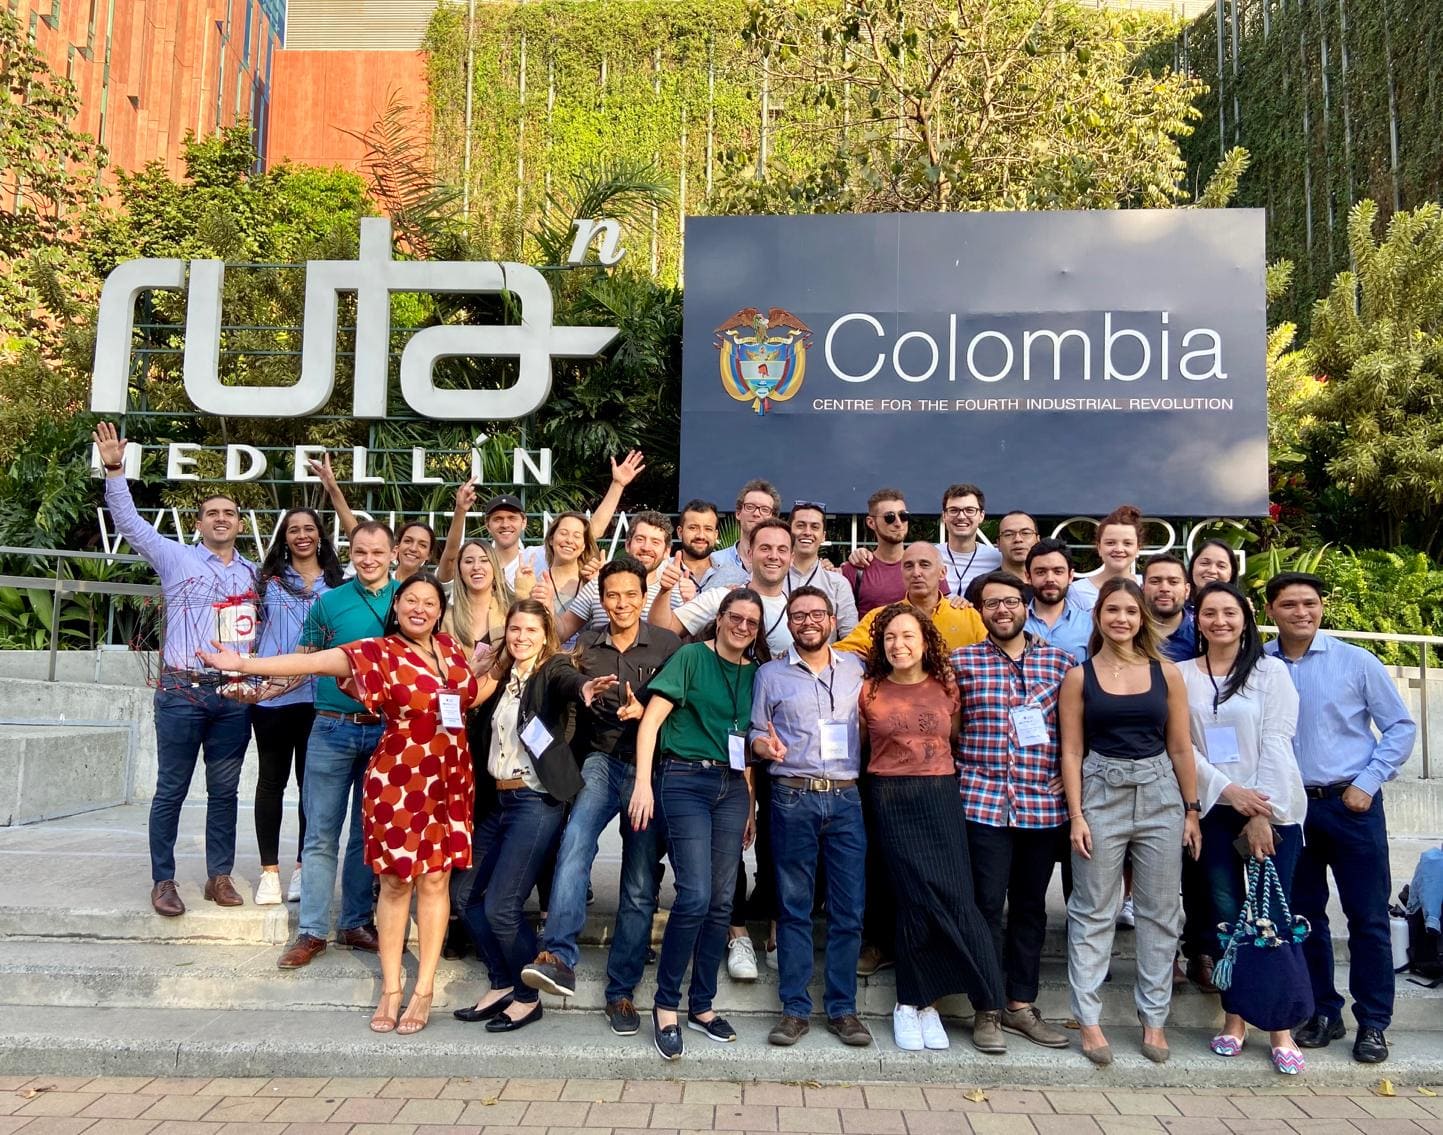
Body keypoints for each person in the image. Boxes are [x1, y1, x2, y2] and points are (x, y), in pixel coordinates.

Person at [199, 572, 480, 1035]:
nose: (420, 608)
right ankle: (392, 989)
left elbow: (469, 695)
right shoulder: (379, 651)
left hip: (450, 779)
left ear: (440, 611)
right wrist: (245, 664)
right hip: (399, 779)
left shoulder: (451, 650)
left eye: (430, 602)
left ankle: (425, 988)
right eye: (411, 600)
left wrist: (500, 662)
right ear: (397, 606)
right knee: (395, 883)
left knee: (435, 880)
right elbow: (314, 661)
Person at [92, 422, 257, 917]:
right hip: (182, 693)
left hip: (233, 696)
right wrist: (115, 470)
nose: (221, 519)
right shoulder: (175, 558)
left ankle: (219, 876)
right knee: (171, 790)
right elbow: (129, 524)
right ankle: (163, 880)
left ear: (240, 524)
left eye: (229, 513)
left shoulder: (253, 573)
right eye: (212, 513)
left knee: (224, 791)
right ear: (199, 523)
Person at [517, 558, 683, 1038]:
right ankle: (558, 956)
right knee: (575, 844)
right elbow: (562, 678)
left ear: (644, 596)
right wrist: (582, 686)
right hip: (600, 762)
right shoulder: (586, 644)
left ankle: (621, 990)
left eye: (631, 594)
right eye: (612, 595)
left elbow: (684, 703)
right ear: (602, 599)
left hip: (649, 769)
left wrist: (648, 710)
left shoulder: (668, 645)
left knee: (639, 879)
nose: (621, 603)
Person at [1265, 572, 1416, 1064]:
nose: (1301, 612)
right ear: (1271, 611)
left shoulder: (1356, 661)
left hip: (1352, 804)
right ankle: (1322, 1012)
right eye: (1290, 604)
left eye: (1310, 603)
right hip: (1291, 809)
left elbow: (1400, 727)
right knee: (1305, 916)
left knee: (1367, 918)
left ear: (1322, 607)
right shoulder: (1260, 664)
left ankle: (1373, 1022)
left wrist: (1367, 783)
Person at [452, 599, 618, 1033]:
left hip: (534, 802)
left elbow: (567, 681)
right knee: (465, 897)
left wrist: (584, 688)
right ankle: (502, 981)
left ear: (546, 636)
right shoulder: (502, 678)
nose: (521, 637)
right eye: (515, 629)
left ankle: (527, 998)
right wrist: (477, 669)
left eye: (530, 630)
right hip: (497, 802)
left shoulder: (551, 671)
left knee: (501, 907)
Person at [1060, 577, 1202, 1066]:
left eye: (1130, 611)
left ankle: (1154, 1020)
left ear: (1142, 618)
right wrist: (1076, 815)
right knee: (1093, 909)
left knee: (1160, 912)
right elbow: (1071, 750)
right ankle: (1089, 1019)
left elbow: (1181, 746)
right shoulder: (1079, 677)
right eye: (1112, 610)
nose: (1121, 619)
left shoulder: (1167, 673)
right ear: (1098, 616)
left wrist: (1191, 810)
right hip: (1101, 792)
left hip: (1161, 794)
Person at [628, 588, 770, 1061]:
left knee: (723, 900)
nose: (742, 627)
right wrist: (643, 784)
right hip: (684, 780)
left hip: (731, 787)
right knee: (695, 895)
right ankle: (666, 1004)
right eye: (736, 617)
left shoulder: (755, 672)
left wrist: (749, 804)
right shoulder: (691, 657)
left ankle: (702, 1006)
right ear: (720, 617)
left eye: (752, 622)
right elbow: (651, 722)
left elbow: (744, 743)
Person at [858, 603, 1006, 1053]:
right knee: (914, 899)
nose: (898, 645)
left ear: (925, 642)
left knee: (957, 898)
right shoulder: (868, 690)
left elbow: (954, 736)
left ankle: (963, 1002)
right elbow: (862, 745)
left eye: (908, 636)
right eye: (889, 637)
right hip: (890, 797)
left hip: (940, 794)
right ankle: (911, 1003)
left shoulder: (946, 685)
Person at [1182, 581, 1306, 1074]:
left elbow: (1277, 740)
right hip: (1215, 809)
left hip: (1272, 811)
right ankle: (1235, 1019)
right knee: (1228, 919)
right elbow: (1184, 747)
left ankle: (1280, 1028)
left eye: (1229, 612)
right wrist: (1228, 792)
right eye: (1209, 613)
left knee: (1272, 919)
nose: (1220, 621)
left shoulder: (1271, 672)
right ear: (1197, 620)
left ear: (1246, 618)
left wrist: (1258, 812)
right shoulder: (1182, 675)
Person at [951, 571, 1074, 1052]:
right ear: (979, 611)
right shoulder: (962, 662)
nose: (1001, 610)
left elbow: (1078, 728)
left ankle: (1020, 1005)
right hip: (982, 803)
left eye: (1010, 602)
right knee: (984, 906)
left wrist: (1072, 771)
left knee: (1029, 908)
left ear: (1026, 606)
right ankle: (986, 1007)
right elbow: (950, 728)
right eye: (991, 603)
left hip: (1041, 806)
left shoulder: (1060, 663)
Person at [272, 522, 398, 969]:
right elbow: (304, 660)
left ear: (393, 554)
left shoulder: (408, 600)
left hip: (385, 730)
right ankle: (311, 931)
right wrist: (265, 688)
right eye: (361, 551)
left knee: (367, 834)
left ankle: (356, 922)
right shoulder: (329, 602)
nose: (369, 560)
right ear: (350, 553)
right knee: (321, 833)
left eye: (377, 552)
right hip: (331, 727)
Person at [750, 586, 872, 1049]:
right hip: (792, 796)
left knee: (848, 908)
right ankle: (795, 1010)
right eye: (799, 615)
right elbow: (756, 732)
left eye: (817, 614)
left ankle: (843, 1009)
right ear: (789, 623)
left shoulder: (857, 668)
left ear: (832, 620)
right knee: (793, 906)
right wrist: (764, 746)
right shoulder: (770, 674)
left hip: (846, 799)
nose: (808, 622)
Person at [250, 508, 345, 905]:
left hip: (319, 699)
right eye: (294, 530)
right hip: (273, 698)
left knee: (312, 788)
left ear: (320, 535)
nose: (302, 535)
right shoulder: (267, 581)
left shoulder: (338, 584)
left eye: (309, 528)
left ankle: (304, 868)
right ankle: (269, 871)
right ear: (284, 537)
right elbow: (249, 631)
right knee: (271, 783)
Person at [651, 518, 796, 656]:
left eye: (782, 550)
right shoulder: (720, 597)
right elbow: (661, 630)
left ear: (792, 558)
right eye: (765, 548)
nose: (773, 556)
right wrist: (665, 591)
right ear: (750, 554)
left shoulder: (798, 612)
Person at [835, 542, 984, 656]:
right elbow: (840, 654)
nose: (916, 573)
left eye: (925, 565)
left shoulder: (968, 616)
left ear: (942, 573)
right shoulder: (880, 618)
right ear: (901, 573)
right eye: (908, 566)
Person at [558, 511, 673, 640]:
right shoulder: (596, 585)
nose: (646, 547)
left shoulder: (674, 592)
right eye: (640, 539)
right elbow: (562, 631)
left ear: (667, 551)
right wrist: (545, 604)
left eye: (655, 542)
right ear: (628, 545)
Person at [787, 502, 859, 638]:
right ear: (789, 531)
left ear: (823, 536)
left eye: (815, 527)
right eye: (800, 526)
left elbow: (850, 636)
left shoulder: (838, 584)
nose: (807, 532)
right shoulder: (771, 578)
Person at [841, 488, 911, 616]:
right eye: (889, 517)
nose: (898, 523)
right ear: (871, 523)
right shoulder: (854, 569)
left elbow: (943, 611)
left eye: (903, 516)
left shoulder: (925, 566)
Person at [1024, 539, 1092, 663]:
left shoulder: (1090, 624)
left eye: (1058, 572)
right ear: (1028, 577)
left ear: (1070, 576)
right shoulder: (1014, 623)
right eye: (1041, 572)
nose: (1050, 579)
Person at [441, 540, 512, 652]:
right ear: (460, 571)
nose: (476, 567)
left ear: (495, 568)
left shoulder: (511, 614)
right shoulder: (447, 619)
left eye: (484, 560)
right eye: (469, 561)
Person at [1070, 504, 1144, 608]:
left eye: (1127, 543)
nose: (1119, 549)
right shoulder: (1078, 592)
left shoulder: (1148, 587)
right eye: (1110, 543)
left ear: (1138, 548)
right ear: (1099, 547)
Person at [936, 483, 1003, 596]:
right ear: (944, 516)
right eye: (953, 510)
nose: (961, 516)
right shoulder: (929, 557)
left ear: (981, 516)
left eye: (970, 510)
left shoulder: (998, 559)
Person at [713, 479, 782, 577]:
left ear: (773, 518)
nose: (756, 513)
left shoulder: (781, 564)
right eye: (750, 507)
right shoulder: (714, 561)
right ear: (738, 513)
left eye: (764, 509)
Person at [676, 499, 747, 594]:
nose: (701, 536)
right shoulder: (662, 572)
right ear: (680, 532)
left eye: (708, 529)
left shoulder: (737, 577)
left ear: (715, 535)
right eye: (693, 528)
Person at [1143, 554, 1197, 663]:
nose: (1164, 588)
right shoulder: (1128, 635)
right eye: (1155, 581)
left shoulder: (1201, 640)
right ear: (1142, 588)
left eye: (1173, 582)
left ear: (1187, 590)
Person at [996, 511, 1040, 580]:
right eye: (1009, 534)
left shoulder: (1051, 581)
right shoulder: (985, 584)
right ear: (998, 544)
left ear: (1038, 540)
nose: (1018, 539)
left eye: (1025, 533)